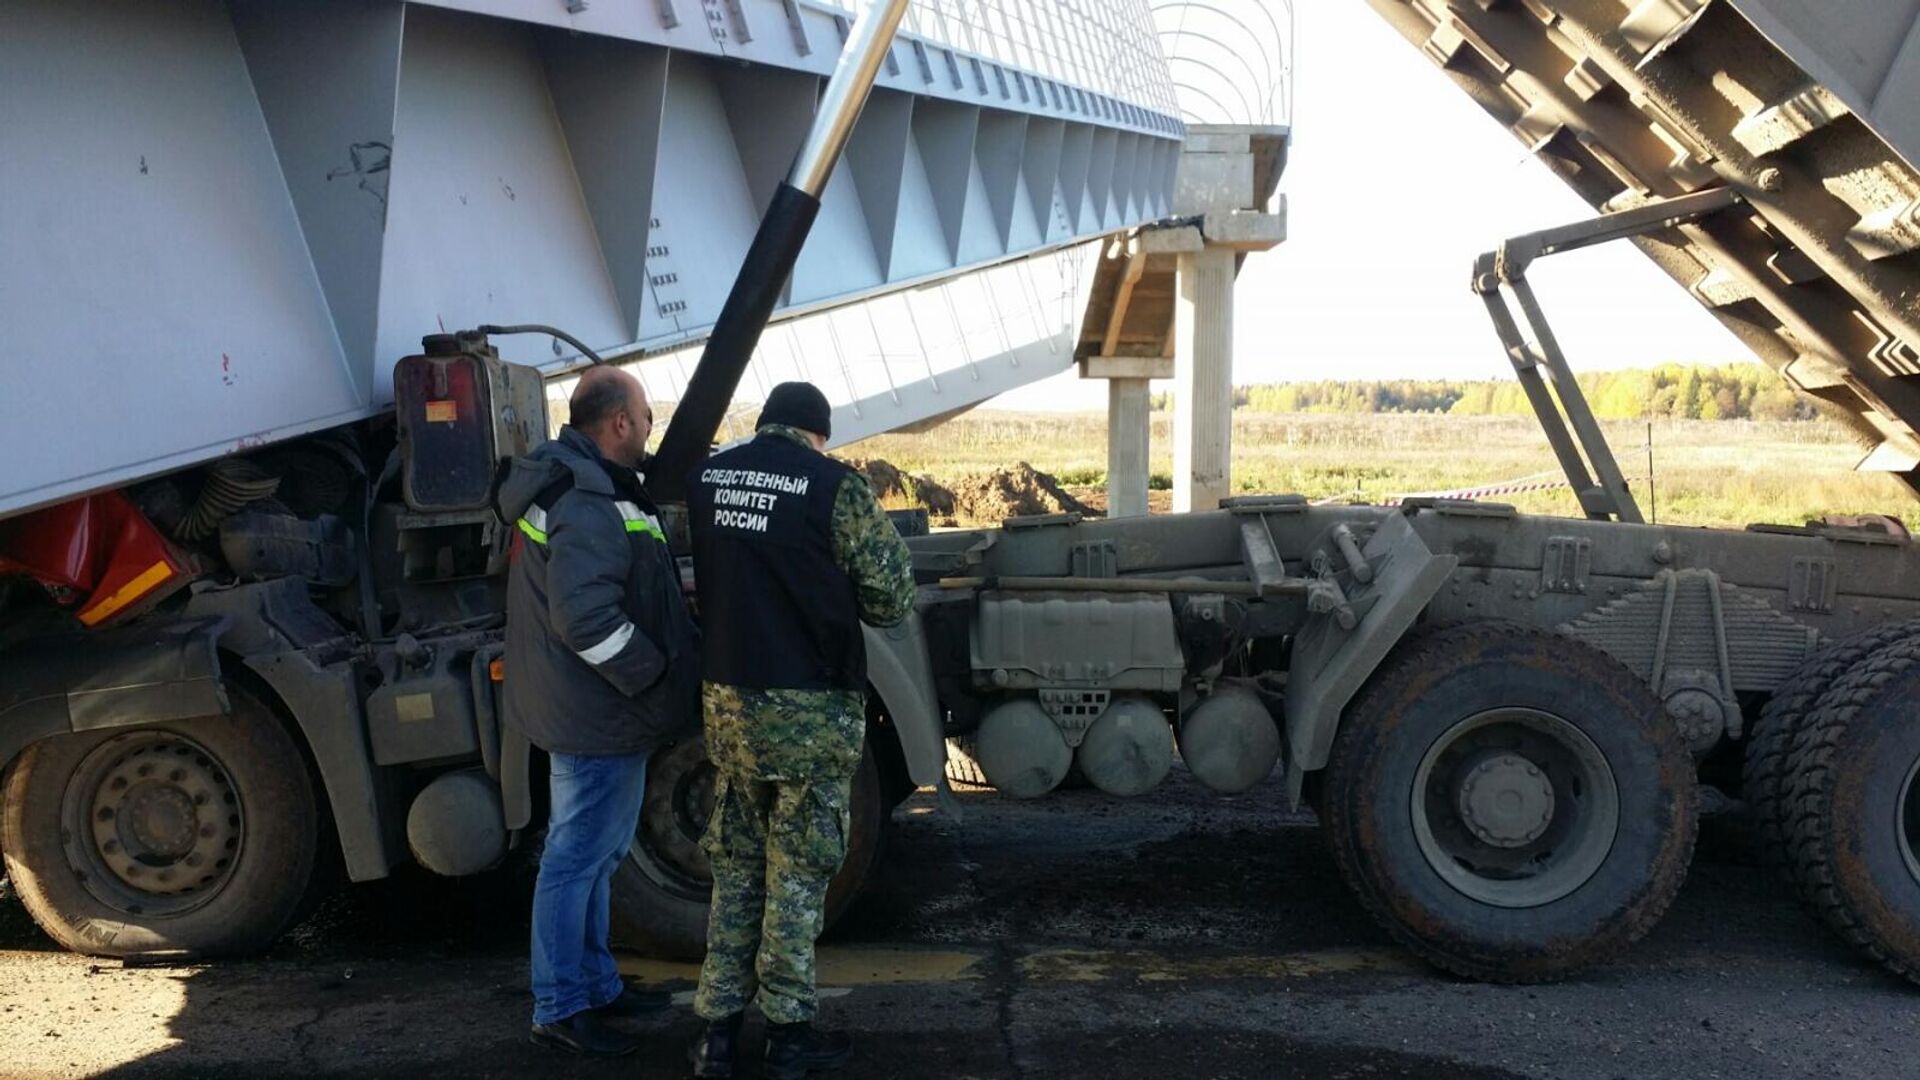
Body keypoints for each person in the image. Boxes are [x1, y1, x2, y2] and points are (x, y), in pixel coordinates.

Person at [683, 382, 916, 1080]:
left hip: (729, 709)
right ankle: (788, 1036)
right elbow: (892, 598)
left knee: (737, 869)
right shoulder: (832, 488)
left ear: (766, 425)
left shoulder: (710, 478)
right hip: (808, 711)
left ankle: (716, 1035)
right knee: (797, 875)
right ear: (818, 434)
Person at [496, 365, 700, 1056]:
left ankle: (595, 987)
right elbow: (584, 621)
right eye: (644, 416)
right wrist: (654, 675)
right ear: (618, 423)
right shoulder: (585, 497)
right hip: (598, 713)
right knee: (577, 857)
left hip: (597, 711)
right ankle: (560, 1003)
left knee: (599, 853)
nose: (649, 428)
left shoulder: (595, 487)